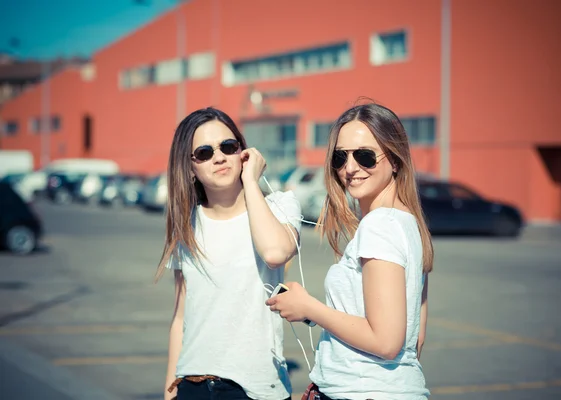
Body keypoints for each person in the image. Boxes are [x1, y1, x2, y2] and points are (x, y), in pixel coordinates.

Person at [266, 102, 434, 399]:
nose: (350, 168)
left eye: (365, 156)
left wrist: (310, 308)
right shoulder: (408, 224)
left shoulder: (380, 225)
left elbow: (386, 341)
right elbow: (415, 340)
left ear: (395, 160)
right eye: (340, 157)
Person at [157, 107, 301, 400]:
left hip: (256, 391)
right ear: (190, 166)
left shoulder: (280, 206)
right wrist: (169, 388)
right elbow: (181, 316)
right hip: (193, 385)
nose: (219, 157)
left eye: (228, 146)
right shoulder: (186, 226)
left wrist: (250, 181)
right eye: (205, 152)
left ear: (243, 152)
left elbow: (275, 252)